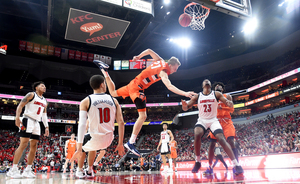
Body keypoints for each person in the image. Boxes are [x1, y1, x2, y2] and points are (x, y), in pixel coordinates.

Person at [94, 49, 196, 156]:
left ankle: (104, 71)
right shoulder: (163, 71)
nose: (176, 70)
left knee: (113, 92)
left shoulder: (160, 61)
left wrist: (138, 56)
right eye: (176, 68)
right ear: (170, 65)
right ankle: (131, 142)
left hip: (133, 83)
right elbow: (169, 86)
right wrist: (185, 93)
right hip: (137, 89)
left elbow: (149, 50)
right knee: (143, 116)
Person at [181, 79, 243, 175]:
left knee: (223, 140)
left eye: (208, 81)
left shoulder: (217, 94)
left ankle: (236, 164)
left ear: (210, 86)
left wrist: (228, 103)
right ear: (202, 85)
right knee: (198, 134)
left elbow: (228, 103)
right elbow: (186, 107)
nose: (206, 81)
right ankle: (198, 162)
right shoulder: (199, 95)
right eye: (205, 81)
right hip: (203, 120)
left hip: (215, 120)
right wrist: (184, 106)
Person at [70, 75, 125, 179]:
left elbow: (82, 124)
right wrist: (120, 143)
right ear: (102, 85)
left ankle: (80, 170)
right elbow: (121, 122)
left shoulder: (85, 101)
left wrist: (78, 147)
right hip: (108, 139)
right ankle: (90, 170)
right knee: (92, 146)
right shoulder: (114, 100)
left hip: (95, 137)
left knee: (85, 144)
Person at [7, 81, 49, 178]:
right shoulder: (31, 95)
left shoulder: (45, 100)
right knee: (24, 144)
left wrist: (46, 126)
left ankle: (28, 170)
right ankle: (13, 169)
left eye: (45, 86)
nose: (44, 87)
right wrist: (17, 118)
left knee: (34, 146)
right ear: (36, 87)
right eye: (42, 85)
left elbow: (44, 115)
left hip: (37, 123)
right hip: (27, 120)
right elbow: (20, 105)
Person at [204, 82, 239, 175]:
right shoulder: (211, 98)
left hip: (226, 121)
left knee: (231, 141)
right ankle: (210, 167)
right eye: (216, 86)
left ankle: (236, 165)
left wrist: (222, 108)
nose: (217, 86)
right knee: (211, 144)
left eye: (219, 86)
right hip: (215, 122)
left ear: (222, 89)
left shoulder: (227, 96)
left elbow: (232, 109)